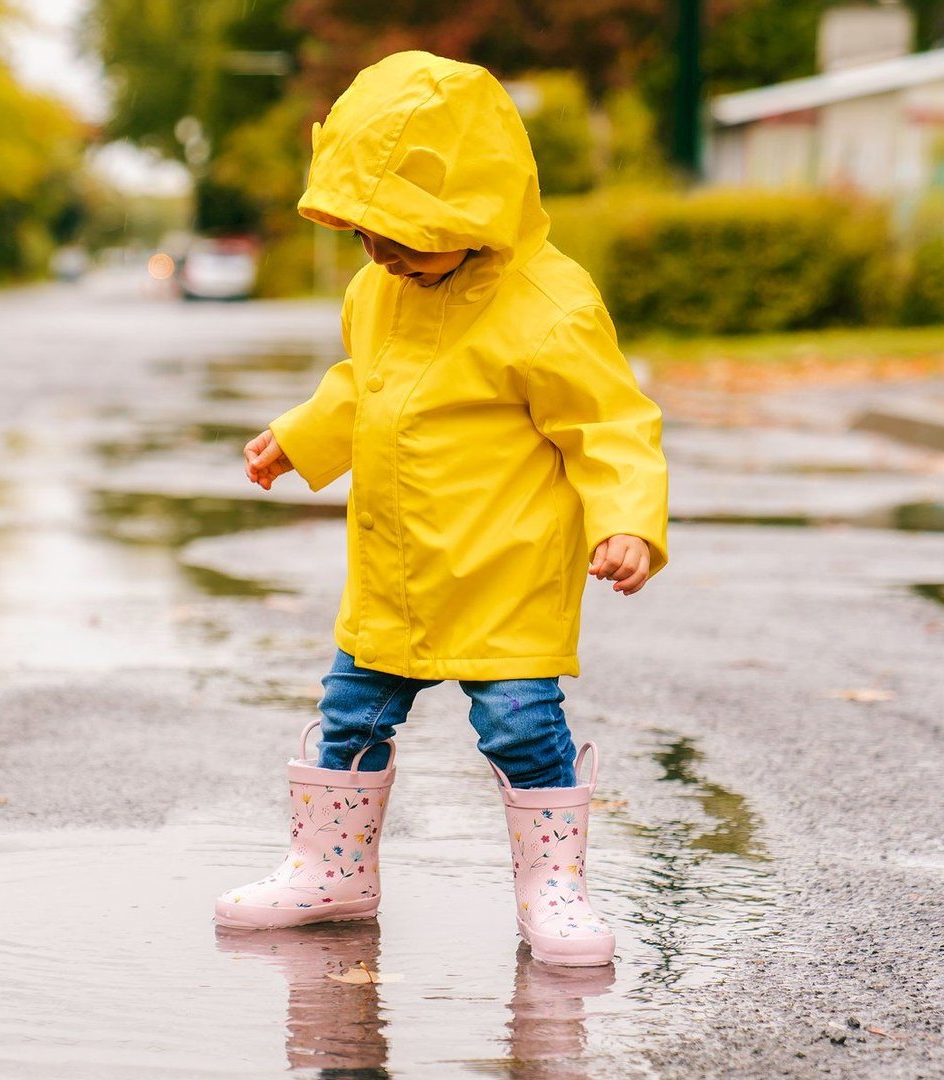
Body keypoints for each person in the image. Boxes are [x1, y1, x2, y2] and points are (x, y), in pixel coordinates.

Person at [211, 51, 669, 969]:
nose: (381, 254)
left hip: (501, 571)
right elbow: (366, 386)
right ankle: (330, 868)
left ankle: (556, 887)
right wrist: (304, 436)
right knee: (349, 715)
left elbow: (611, 423)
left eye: (405, 236)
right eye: (366, 235)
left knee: (517, 724)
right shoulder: (379, 289)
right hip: (394, 567)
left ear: (475, 212)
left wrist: (629, 521)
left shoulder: (548, 307)